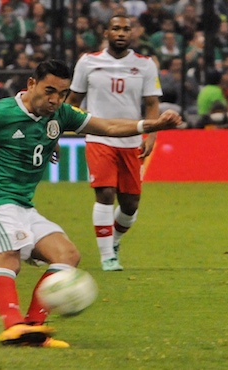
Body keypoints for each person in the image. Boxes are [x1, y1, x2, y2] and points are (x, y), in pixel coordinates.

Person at [0, 60, 181, 347]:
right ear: (31, 84)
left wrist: (153, 124)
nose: (55, 99)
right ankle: (13, 325)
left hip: (23, 206)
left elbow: (107, 125)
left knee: (68, 256)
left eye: (63, 93)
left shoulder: (60, 115)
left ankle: (34, 327)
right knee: (9, 259)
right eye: (49, 91)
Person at [66, 15, 163, 272]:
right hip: (98, 137)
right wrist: (56, 131)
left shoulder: (145, 65)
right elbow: (73, 100)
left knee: (130, 206)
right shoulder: (88, 62)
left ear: (133, 34)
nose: (121, 33)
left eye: (126, 29)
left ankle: (115, 241)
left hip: (131, 141)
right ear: (106, 32)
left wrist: (151, 136)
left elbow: (152, 104)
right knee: (105, 193)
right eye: (116, 28)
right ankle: (107, 256)